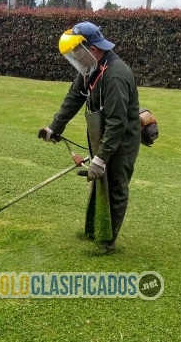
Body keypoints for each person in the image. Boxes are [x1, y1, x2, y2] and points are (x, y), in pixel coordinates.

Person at [39, 21, 141, 252]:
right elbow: (74, 96)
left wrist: (101, 158)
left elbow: (117, 124)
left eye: (77, 53)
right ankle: (94, 230)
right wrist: (55, 127)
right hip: (102, 135)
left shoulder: (115, 76)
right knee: (98, 184)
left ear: (91, 49)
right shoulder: (90, 68)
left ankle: (106, 242)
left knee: (115, 188)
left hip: (121, 141)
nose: (76, 58)